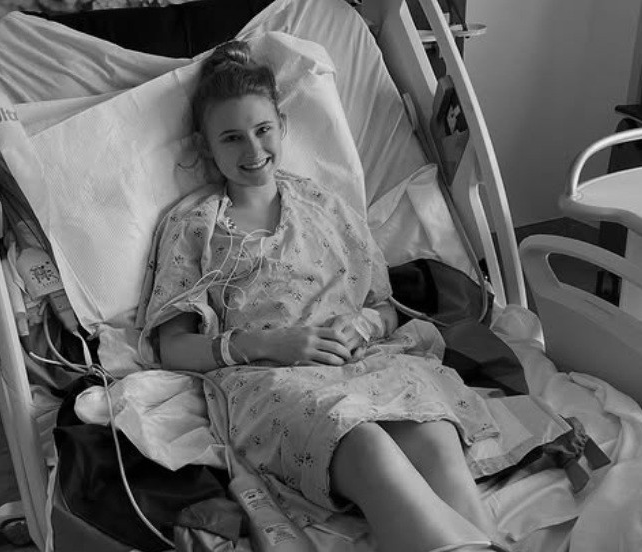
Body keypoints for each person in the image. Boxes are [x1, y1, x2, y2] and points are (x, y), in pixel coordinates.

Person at [141, 40, 509, 552]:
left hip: (364, 361)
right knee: (363, 443)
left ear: (282, 126)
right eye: (231, 138)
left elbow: (383, 305)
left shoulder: (323, 204)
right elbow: (172, 347)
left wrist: (365, 326)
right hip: (269, 378)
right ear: (206, 147)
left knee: (433, 433)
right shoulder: (194, 225)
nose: (252, 150)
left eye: (263, 130)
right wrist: (268, 344)